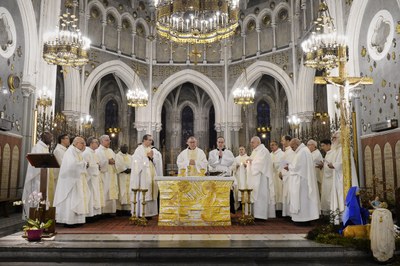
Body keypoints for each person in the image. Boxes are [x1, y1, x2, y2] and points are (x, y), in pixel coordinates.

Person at [53, 137, 89, 226]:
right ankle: (69, 220)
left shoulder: (77, 152)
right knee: (71, 200)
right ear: (76, 143)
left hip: (77, 179)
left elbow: (79, 164)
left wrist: (84, 165)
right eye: (82, 143)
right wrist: (84, 164)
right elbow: (71, 166)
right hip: (70, 181)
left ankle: (77, 220)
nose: (84, 145)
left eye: (84, 143)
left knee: (78, 198)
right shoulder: (70, 152)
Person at [328, 131, 359, 224]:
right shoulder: (337, 149)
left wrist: (333, 165)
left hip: (344, 179)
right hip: (337, 178)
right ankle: (338, 219)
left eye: (335, 138)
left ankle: (345, 220)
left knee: (343, 197)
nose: (332, 140)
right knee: (338, 196)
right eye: (332, 138)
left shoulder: (345, 149)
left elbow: (344, 163)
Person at [287, 138, 320, 224]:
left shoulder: (302, 152)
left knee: (302, 200)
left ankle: (303, 219)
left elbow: (297, 167)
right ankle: (302, 219)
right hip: (301, 180)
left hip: (302, 181)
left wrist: (289, 166)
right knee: (302, 200)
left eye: (293, 147)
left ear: (297, 145)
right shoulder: (303, 151)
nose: (292, 149)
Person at [22, 131, 53, 218]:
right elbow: (36, 163)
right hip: (37, 177)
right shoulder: (38, 147)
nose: (51, 140)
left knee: (43, 196)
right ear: (43, 138)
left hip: (43, 177)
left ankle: (42, 215)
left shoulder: (45, 148)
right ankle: (34, 216)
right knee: (37, 196)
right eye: (50, 138)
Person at [131, 134, 163, 217]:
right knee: (145, 193)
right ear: (144, 140)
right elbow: (136, 163)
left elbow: (155, 162)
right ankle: (142, 213)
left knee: (151, 192)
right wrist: (147, 158)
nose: (150, 141)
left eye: (151, 140)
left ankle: (149, 213)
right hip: (143, 175)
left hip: (151, 173)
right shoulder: (139, 150)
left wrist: (152, 158)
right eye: (149, 140)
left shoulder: (150, 149)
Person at [245, 136, 275, 220]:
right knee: (255, 195)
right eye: (251, 142)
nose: (251, 144)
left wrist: (251, 163)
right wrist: (249, 161)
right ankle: (254, 214)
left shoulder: (263, 151)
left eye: (252, 142)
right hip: (255, 178)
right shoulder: (255, 151)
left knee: (260, 196)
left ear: (258, 142)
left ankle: (260, 215)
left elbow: (259, 164)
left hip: (261, 179)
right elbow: (253, 160)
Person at [96, 135, 118, 215]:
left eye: (109, 140)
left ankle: (111, 211)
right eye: (107, 140)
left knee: (111, 191)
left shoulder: (111, 150)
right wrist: (107, 161)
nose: (109, 142)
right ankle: (103, 211)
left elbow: (115, 160)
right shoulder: (98, 151)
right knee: (104, 191)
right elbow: (98, 162)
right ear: (101, 141)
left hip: (111, 174)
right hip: (104, 175)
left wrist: (114, 161)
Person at [82, 137, 103, 219]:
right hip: (89, 179)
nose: (97, 144)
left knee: (95, 195)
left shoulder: (93, 152)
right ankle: (89, 215)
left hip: (95, 177)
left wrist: (98, 167)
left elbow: (96, 164)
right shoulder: (86, 153)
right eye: (96, 142)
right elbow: (86, 166)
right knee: (90, 196)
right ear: (91, 143)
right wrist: (96, 167)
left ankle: (94, 213)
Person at [49, 133, 70, 207]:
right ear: (62, 140)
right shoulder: (58, 150)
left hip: (65, 176)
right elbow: (62, 164)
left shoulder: (65, 150)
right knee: (59, 194)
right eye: (67, 138)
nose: (68, 140)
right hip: (59, 176)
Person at [280, 135, 295, 217]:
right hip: (285, 175)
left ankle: (290, 213)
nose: (282, 142)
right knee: (286, 194)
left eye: (283, 140)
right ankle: (286, 213)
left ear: (288, 141)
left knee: (289, 194)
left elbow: (291, 163)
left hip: (289, 175)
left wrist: (286, 168)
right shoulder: (286, 151)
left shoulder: (291, 151)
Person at [231, 146, 249, 210]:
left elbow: (251, 168)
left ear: (245, 150)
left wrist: (246, 166)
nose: (241, 151)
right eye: (240, 149)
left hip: (245, 177)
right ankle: (238, 205)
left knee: (244, 189)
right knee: (237, 190)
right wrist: (236, 166)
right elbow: (232, 168)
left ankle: (245, 204)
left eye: (242, 149)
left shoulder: (248, 158)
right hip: (238, 177)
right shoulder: (236, 158)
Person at [115, 144, 132, 212]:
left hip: (129, 176)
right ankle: (120, 209)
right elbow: (118, 165)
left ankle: (127, 209)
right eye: (124, 147)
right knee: (121, 191)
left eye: (126, 147)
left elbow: (133, 164)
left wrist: (131, 169)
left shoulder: (130, 156)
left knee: (128, 191)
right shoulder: (117, 156)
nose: (125, 149)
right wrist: (124, 169)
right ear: (120, 148)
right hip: (121, 176)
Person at [270, 140, 284, 215]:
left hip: (279, 175)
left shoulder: (282, 154)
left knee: (280, 191)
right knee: (274, 192)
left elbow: (283, 165)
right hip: (272, 176)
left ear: (277, 145)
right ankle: (275, 209)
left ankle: (280, 209)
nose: (271, 146)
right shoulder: (270, 155)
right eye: (271, 145)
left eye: (273, 145)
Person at [319, 139, 333, 215]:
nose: (322, 147)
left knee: (329, 197)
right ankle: (327, 215)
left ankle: (332, 215)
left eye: (323, 145)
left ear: (328, 145)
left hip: (331, 179)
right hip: (326, 179)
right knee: (325, 196)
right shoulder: (327, 153)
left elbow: (333, 165)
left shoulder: (333, 153)